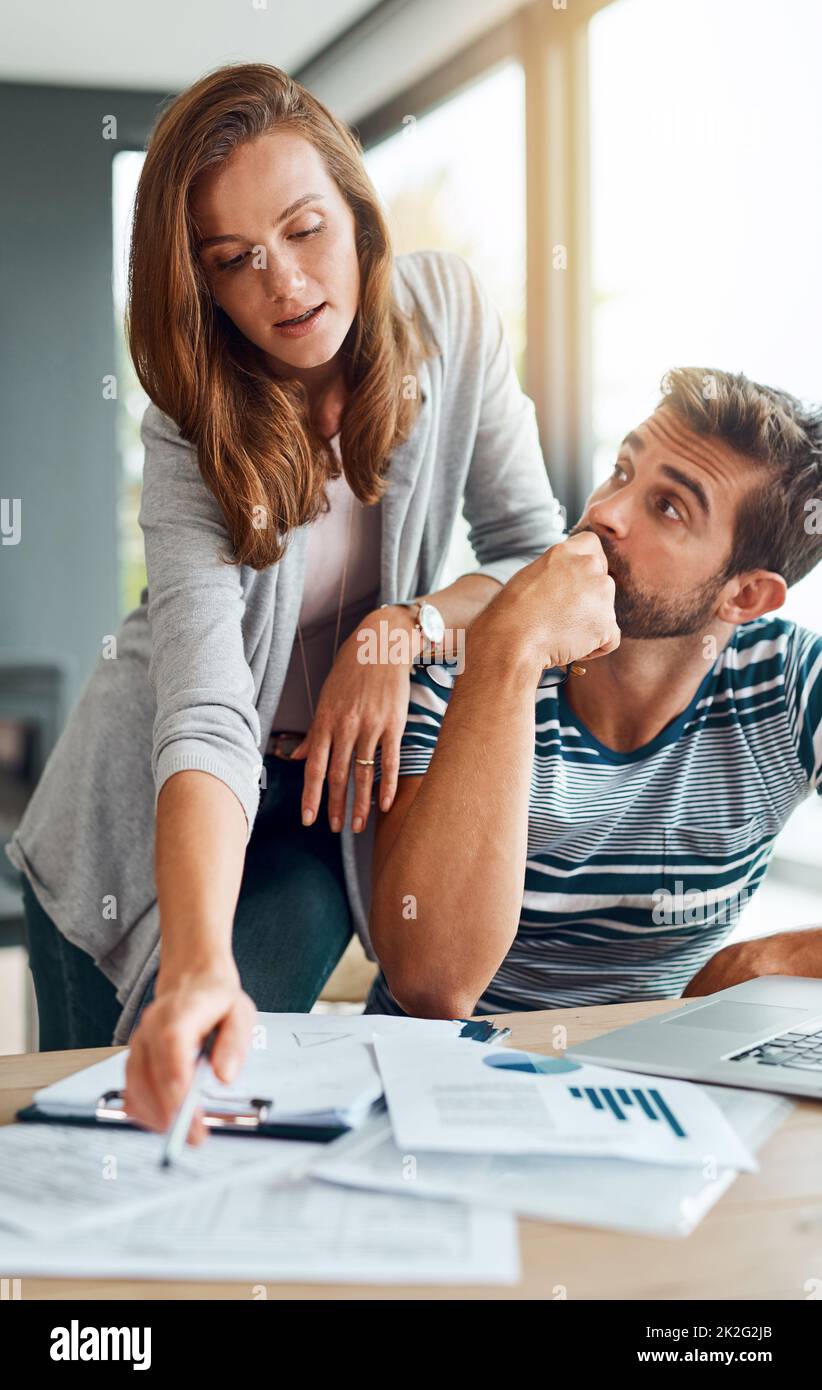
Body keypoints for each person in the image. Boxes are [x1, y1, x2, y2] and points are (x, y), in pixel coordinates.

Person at [5, 62, 565, 1141]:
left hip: (318, 801)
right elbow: (208, 703)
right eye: (235, 260)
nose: (285, 284)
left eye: (306, 230)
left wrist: (402, 631)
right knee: (106, 1124)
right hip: (134, 813)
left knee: (235, 1093)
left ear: (356, 212)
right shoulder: (191, 410)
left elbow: (533, 554)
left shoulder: (450, 314)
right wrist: (198, 965)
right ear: (203, 284)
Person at [367, 367, 822, 1017]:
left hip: (655, 1076)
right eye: (622, 471)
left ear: (745, 595)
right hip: (445, 1076)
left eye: (667, 506)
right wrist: (509, 652)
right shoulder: (458, 663)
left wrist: (766, 962)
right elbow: (432, 982)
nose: (603, 512)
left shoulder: (793, 684)